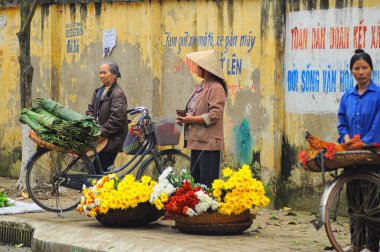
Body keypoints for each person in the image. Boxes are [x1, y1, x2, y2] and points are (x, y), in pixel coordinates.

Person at [337, 49, 380, 252]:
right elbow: (342, 121)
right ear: (351, 71)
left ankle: (371, 246)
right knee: (354, 202)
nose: (360, 71)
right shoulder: (348, 96)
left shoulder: (378, 94)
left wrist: (364, 143)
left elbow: (378, 125)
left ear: (371, 70)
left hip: (372, 154)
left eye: (364, 67)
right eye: (356, 68)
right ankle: (356, 243)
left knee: (372, 203)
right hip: (351, 155)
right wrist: (345, 139)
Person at [176, 50, 228, 187]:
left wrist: (190, 120)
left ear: (206, 70)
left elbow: (215, 115)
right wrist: (185, 117)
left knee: (207, 183)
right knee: (196, 182)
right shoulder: (202, 85)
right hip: (197, 140)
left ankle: (209, 208)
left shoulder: (216, 88)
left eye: (198, 66)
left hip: (208, 143)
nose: (196, 69)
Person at [86, 61, 128, 173]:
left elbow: (117, 119)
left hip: (113, 139)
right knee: (101, 169)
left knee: (99, 169)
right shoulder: (98, 91)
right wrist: (92, 126)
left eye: (104, 72)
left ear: (114, 75)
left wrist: (100, 132)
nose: (101, 75)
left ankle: (101, 189)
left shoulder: (117, 93)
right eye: (100, 73)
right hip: (101, 137)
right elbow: (90, 109)